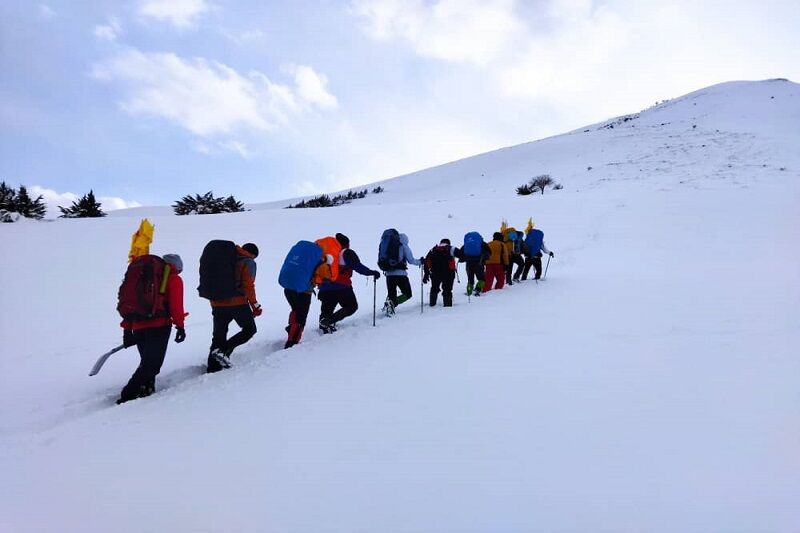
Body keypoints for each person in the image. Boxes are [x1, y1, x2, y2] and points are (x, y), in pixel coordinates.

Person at [118, 254, 186, 404]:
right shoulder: (173, 279)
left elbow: (131, 305)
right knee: (152, 365)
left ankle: (147, 390)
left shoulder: (142, 278)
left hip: (138, 325)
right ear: (177, 267)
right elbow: (176, 306)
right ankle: (128, 394)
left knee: (147, 361)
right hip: (159, 325)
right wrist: (180, 326)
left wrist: (127, 329)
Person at [207, 243, 261, 373]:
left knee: (219, 335)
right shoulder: (248, 262)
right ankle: (223, 351)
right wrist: (254, 305)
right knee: (249, 329)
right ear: (253, 254)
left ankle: (213, 368)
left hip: (217, 303)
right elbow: (248, 285)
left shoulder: (225, 257)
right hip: (237, 303)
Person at [318, 233, 381, 333]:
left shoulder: (326, 253)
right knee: (351, 306)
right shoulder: (346, 252)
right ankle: (329, 321)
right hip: (342, 287)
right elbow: (357, 266)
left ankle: (324, 325)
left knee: (326, 310)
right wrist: (371, 272)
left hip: (324, 287)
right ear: (346, 244)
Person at [285, 254, 333, 349]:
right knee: (301, 317)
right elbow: (326, 279)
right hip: (304, 291)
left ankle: (291, 328)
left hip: (289, 288)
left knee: (295, 310)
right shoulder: (323, 264)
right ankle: (292, 342)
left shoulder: (305, 261)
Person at [381, 233, 424, 316]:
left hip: (389, 274)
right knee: (408, 294)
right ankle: (392, 303)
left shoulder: (387, 246)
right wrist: (420, 262)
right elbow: (411, 260)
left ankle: (390, 304)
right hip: (401, 275)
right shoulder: (404, 246)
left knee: (391, 294)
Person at [423, 238, 458, 307]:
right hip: (449, 274)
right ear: (448, 243)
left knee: (434, 288)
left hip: (435, 273)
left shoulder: (433, 250)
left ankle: (432, 304)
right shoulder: (450, 248)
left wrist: (426, 274)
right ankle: (447, 306)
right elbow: (461, 255)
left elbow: (426, 262)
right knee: (447, 289)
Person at [459, 232, 490, 297]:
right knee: (482, 279)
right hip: (479, 263)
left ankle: (469, 292)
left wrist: (463, 259)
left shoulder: (467, 244)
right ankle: (477, 290)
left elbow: (461, 253)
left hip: (468, 264)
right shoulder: (483, 244)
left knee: (470, 279)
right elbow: (489, 253)